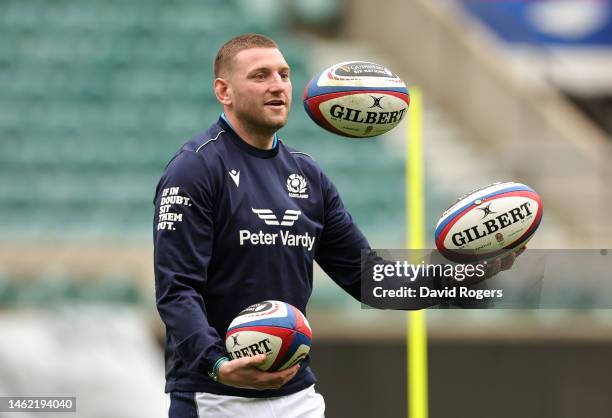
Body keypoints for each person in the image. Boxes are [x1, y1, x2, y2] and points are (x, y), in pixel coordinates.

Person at [153, 33, 519, 418]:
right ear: (224, 91)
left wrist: (464, 270)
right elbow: (177, 290)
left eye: (284, 74)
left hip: (298, 399)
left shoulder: (307, 175)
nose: (278, 85)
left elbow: (372, 278)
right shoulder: (195, 169)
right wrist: (217, 365)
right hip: (216, 398)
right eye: (260, 75)